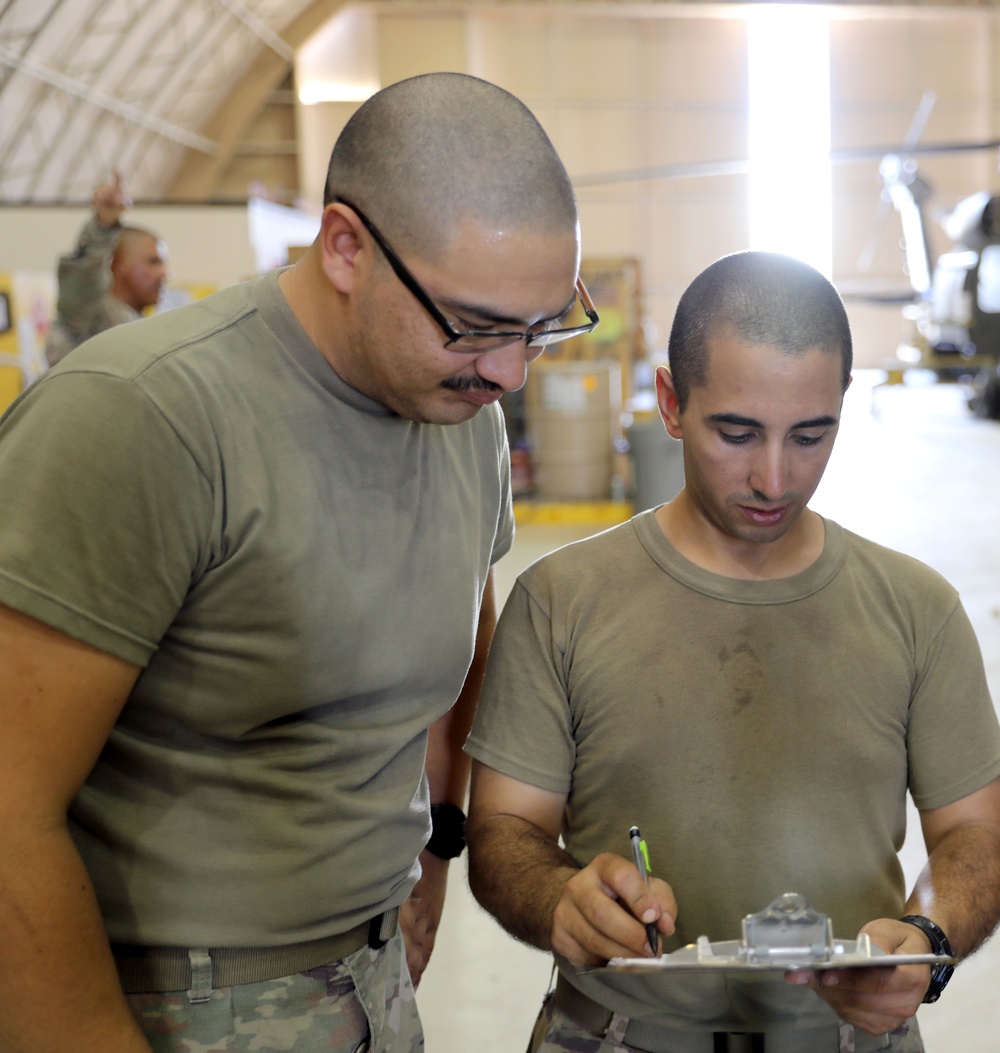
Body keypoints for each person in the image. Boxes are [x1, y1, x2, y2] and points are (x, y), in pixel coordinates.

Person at [0, 73, 595, 1053]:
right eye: (476, 325)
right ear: (346, 247)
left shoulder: (463, 423)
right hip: (166, 1004)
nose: (508, 374)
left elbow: (460, 649)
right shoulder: (144, 418)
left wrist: (436, 852)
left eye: (540, 330)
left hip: (371, 987)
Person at [465, 250, 1000, 1053]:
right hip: (618, 1034)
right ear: (672, 403)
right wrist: (560, 898)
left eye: (811, 434)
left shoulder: (917, 610)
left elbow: (976, 835)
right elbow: (504, 828)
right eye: (737, 432)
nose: (774, 477)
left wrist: (929, 933)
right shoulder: (561, 600)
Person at [44, 170, 168, 367]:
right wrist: (102, 227)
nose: (165, 273)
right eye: (153, 262)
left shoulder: (136, 322)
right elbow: (83, 276)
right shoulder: (90, 312)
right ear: (120, 266)